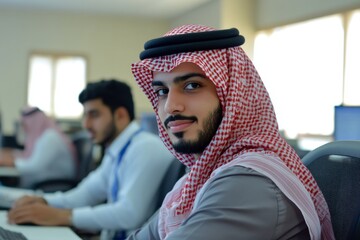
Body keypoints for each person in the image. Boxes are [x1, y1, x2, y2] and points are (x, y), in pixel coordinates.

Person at [127, 24, 336, 239]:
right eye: (162, 91)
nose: (170, 106)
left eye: (191, 86)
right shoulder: (196, 180)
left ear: (232, 95)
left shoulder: (249, 182)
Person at [7, 79, 174, 240]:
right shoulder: (118, 151)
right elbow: (82, 196)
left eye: (93, 115)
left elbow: (129, 213)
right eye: (85, 115)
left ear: (121, 116)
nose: (86, 124)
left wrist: (63, 216)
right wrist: (43, 201)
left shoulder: (145, 147)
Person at [0, 107, 76, 188]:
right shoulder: (42, 136)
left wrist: (12, 163)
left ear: (34, 122)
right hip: (42, 182)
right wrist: (14, 153)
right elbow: (32, 156)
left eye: (25, 124)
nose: (24, 128)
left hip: (51, 185)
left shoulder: (50, 138)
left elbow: (34, 167)